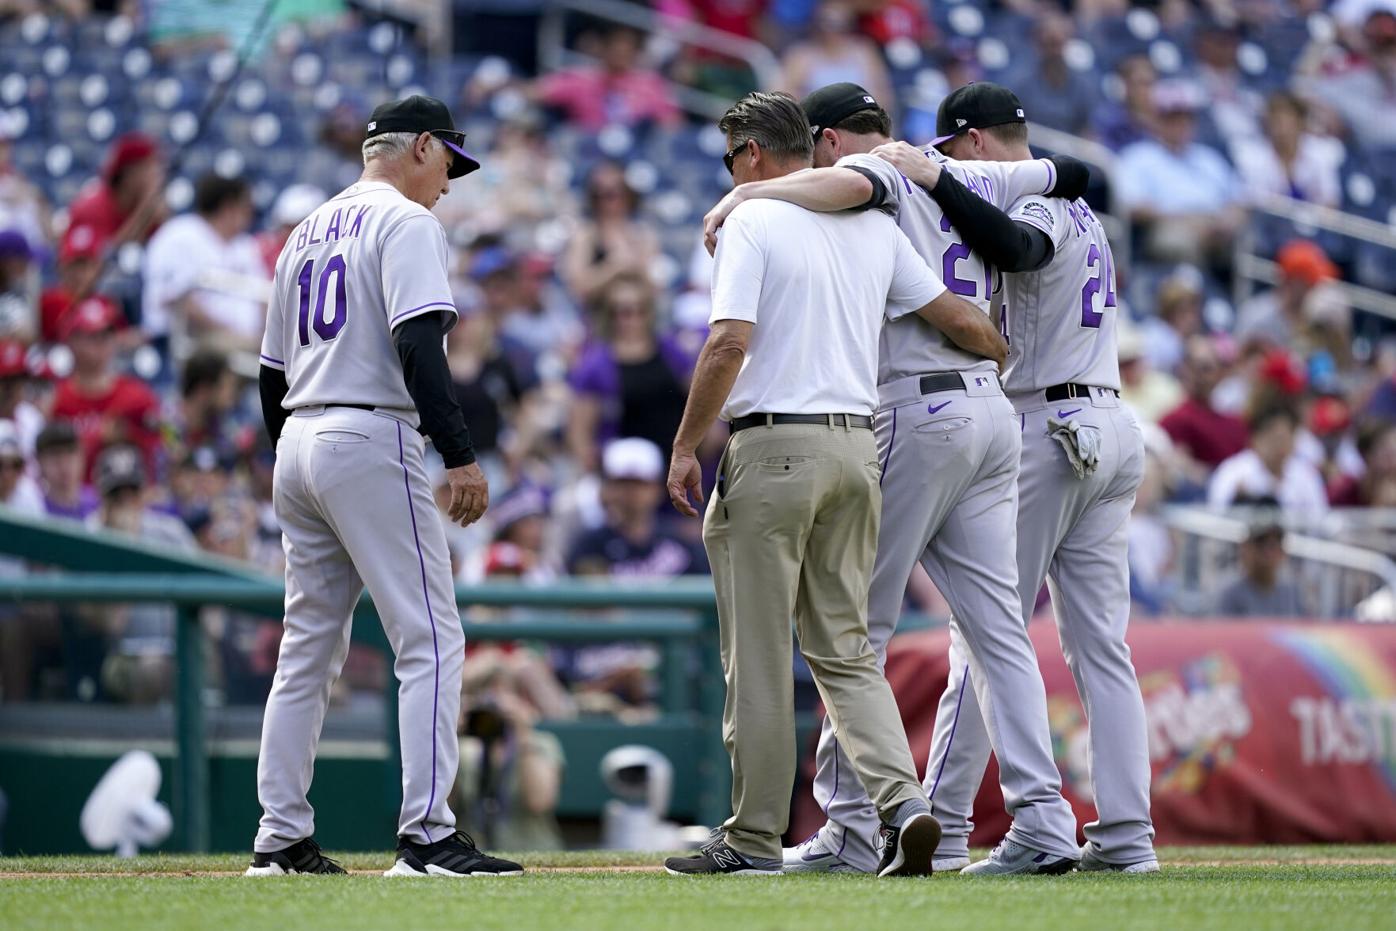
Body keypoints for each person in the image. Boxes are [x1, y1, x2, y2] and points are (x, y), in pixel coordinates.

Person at [701, 82, 1090, 876]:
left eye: (817, 146)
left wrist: (739, 197)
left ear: (831, 139)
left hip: (912, 410)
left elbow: (851, 183)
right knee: (998, 631)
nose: (813, 162)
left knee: (853, 632)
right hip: (987, 407)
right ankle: (1044, 819)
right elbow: (1078, 176)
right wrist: (992, 353)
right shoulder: (969, 172)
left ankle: (852, 825)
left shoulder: (874, 170)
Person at [248, 94, 521, 878]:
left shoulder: (304, 230)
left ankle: (280, 837)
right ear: (422, 146)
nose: (449, 183)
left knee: (307, 650)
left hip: (300, 434)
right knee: (430, 636)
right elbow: (419, 345)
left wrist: (298, 458)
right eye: (449, 164)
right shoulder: (406, 223)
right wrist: (460, 455)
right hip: (368, 429)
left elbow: (270, 375)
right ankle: (428, 834)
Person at [916, 82, 1159, 873]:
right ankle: (1126, 837)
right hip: (1106, 421)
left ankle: (947, 825)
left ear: (976, 141)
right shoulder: (1075, 196)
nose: (955, 168)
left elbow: (1018, 250)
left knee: (984, 633)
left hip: (1046, 423)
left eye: (955, 153)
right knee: (1101, 648)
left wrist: (936, 181)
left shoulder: (1044, 203)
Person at [567, 273, 692, 471]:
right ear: (611, 314)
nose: (632, 319)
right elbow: (580, 429)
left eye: (640, 310)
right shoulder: (596, 364)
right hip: (625, 468)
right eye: (624, 311)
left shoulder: (670, 350)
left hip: (674, 460)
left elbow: (696, 394)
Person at [1114, 80, 1244, 266]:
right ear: (1157, 120)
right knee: (1175, 242)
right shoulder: (1138, 156)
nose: (1180, 124)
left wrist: (1227, 222)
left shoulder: (1209, 158)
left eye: (1186, 118)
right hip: (1166, 225)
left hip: (1213, 227)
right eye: (1172, 118)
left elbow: (1238, 200)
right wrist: (1185, 221)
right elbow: (1133, 206)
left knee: (1246, 246)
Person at [142, 172, 269, 360]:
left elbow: (265, 298)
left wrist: (266, 339)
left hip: (244, 345)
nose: (251, 214)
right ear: (228, 207)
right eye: (246, 207)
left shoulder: (244, 245)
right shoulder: (179, 235)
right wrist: (237, 337)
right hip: (191, 341)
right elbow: (182, 303)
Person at [49, 296, 163, 480]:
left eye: (107, 334)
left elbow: (164, 446)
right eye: (92, 336)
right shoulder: (57, 400)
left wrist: (130, 437)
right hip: (73, 498)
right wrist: (96, 440)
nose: (101, 342)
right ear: (72, 340)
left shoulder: (139, 397)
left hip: (125, 496)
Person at [533, 24, 680, 132]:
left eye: (626, 50)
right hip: (588, 150)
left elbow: (672, 123)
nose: (620, 55)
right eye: (616, 49)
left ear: (636, 53)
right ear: (604, 48)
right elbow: (538, 91)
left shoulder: (650, 84)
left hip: (634, 153)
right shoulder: (582, 79)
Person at [560, 162, 660, 306]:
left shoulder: (643, 235)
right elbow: (576, 287)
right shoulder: (585, 235)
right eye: (599, 194)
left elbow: (655, 287)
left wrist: (634, 267)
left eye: (614, 193)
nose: (608, 201)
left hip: (636, 315)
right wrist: (613, 269)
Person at [1208, 403, 1329, 521]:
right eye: (1273, 438)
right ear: (1256, 438)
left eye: (1283, 438)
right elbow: (1218, 518)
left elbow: (1320, 520)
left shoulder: (1306, 474)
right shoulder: (1232, 472)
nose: (1279, 445)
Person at [1159, 336, 1249, 481]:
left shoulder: (1236, 423)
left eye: (1205, 369)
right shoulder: (1176, 420)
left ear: (1221, 373)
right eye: (1191, 367)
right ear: (1183, 370)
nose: (1197, 375)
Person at [778, 1, 893, 106]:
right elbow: (784, 94)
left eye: (839, 25)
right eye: (827, 24)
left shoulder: (864, 51)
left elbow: (883, 95)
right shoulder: (801, 55)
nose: (832, 33)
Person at [1214, 504, 1309, 617]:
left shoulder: (1292, 592)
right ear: (1246, 548)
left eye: (1275, 543)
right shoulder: (1230, 594)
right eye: (1261, 542)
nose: (1269, 551)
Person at [34, 420, 98, 521]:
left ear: (82, 456)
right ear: (40, 461)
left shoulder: (99, 503)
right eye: (55, 454)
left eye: (70, 452)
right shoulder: (34, 508)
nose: (64, 463)